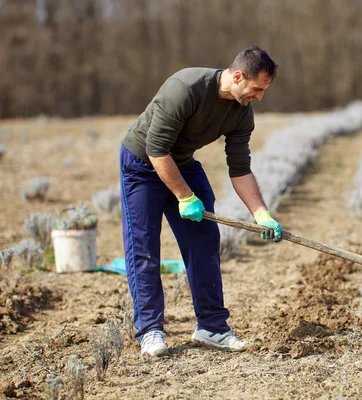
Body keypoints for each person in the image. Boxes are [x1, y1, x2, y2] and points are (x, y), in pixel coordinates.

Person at [119, 45, 282, 357]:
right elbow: (156, 149)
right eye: (257, 89)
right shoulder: (185, 89)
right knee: (144, 249)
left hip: (180, 163)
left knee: (205, 242)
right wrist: (184, 196)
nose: (259, 97)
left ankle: (212, 327)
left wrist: (262, 214)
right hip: (142, 163)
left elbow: (240, 169)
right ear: (237, 76)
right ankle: (150, 331)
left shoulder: (241, 112)